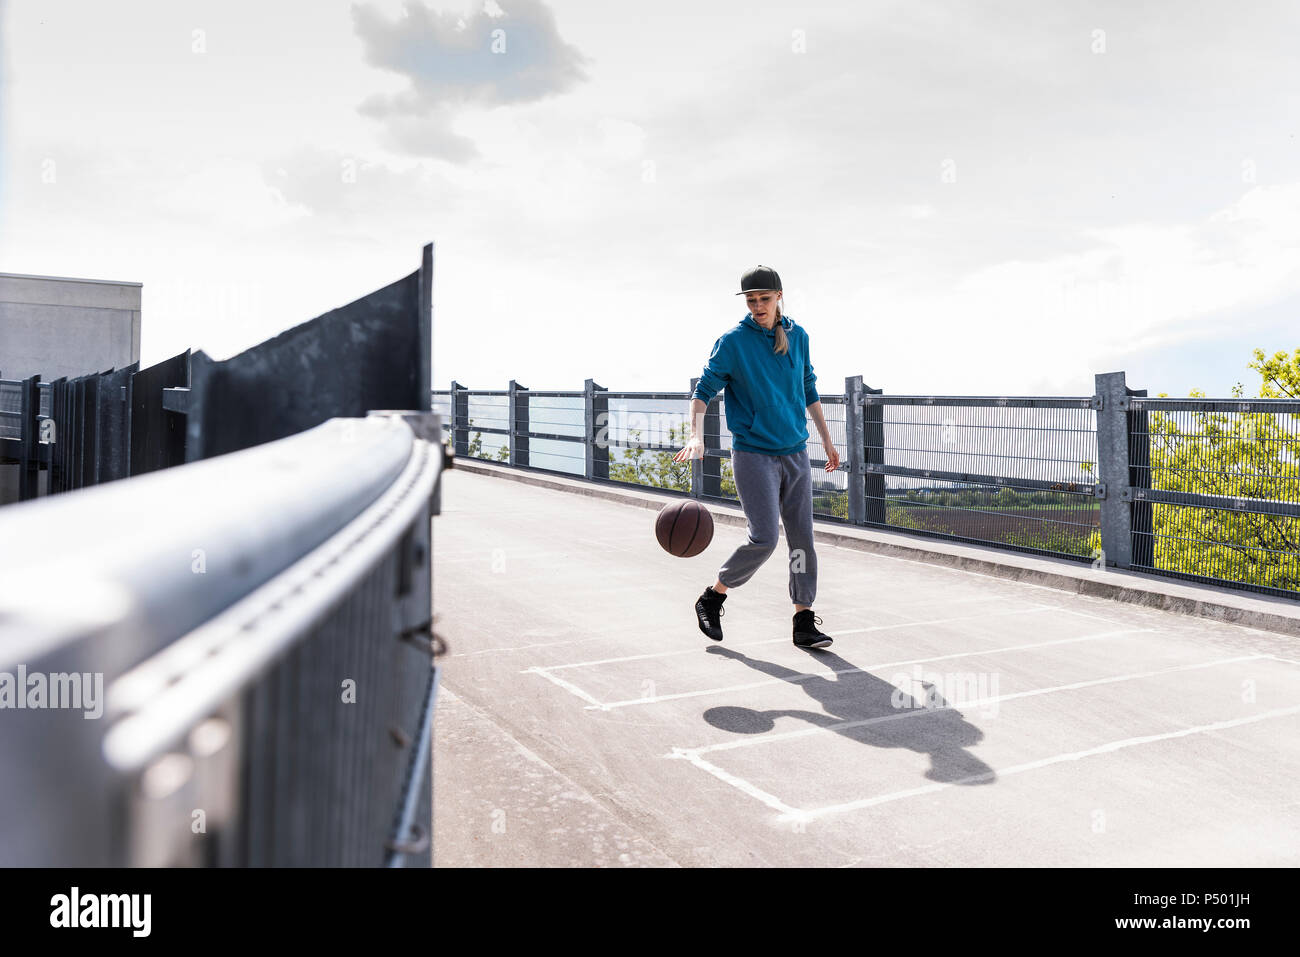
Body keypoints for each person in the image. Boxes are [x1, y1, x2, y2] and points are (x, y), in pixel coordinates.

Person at [672, 265, 840, 649]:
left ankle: (803, 620)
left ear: (779, 296)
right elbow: (704, 391)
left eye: (764, 298)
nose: (758, 306)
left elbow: (808, 387)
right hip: (753, 453)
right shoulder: (733, 342)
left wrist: (827, 442)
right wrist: (695, 435)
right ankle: (713, 596)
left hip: (795, 451)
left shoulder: (799, 337)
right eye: (751, 300)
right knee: (764, 538)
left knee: (802, 541)